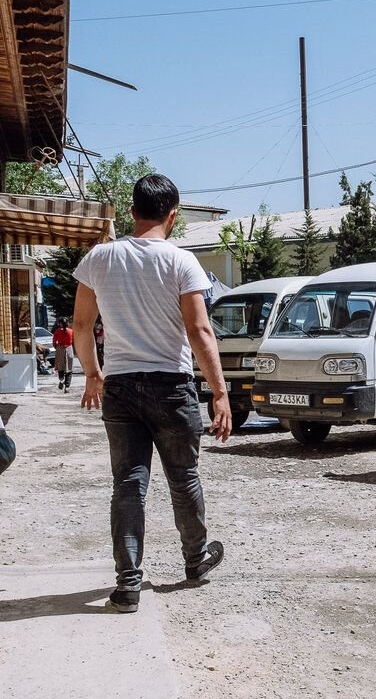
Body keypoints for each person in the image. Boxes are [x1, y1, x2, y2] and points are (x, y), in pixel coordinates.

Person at [71, 174, 233, 615]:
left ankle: (127, 586)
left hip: (120, 386)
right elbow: (200, 331)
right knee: (184, 478)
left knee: (128, 485)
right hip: (171, 386)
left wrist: (92, 373)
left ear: (131, 211)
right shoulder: (182, 262)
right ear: (174, 214)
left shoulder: (99, 259)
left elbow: (81, 327)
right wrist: (219, 392)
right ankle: (195, 561)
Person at [51, 318, 73, 392]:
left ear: (60, 323)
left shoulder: (57, 331)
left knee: (60, 367)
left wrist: (56, 347)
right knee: (69, 368)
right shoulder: (71, 331)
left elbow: (54, 341)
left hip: (60, 349)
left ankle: (61, 380)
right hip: (69, 349)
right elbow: (74, 340)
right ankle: (67, 387)